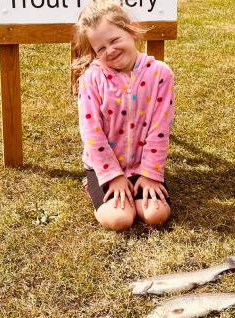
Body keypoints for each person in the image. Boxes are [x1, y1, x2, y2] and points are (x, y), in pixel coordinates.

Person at [72, 0, 175, 232]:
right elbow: (92, 134)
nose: (110, 50)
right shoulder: (91, 79)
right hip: (104, 166)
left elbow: (160, 129)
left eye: (115, 40)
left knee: (155, 215)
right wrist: (112, 176)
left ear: (131, 30)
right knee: (119, 220)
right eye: (100, 48)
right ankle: (93, 184)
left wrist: (150, 175)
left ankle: (140, 184)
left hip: (142, 166)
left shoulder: (161, 74)